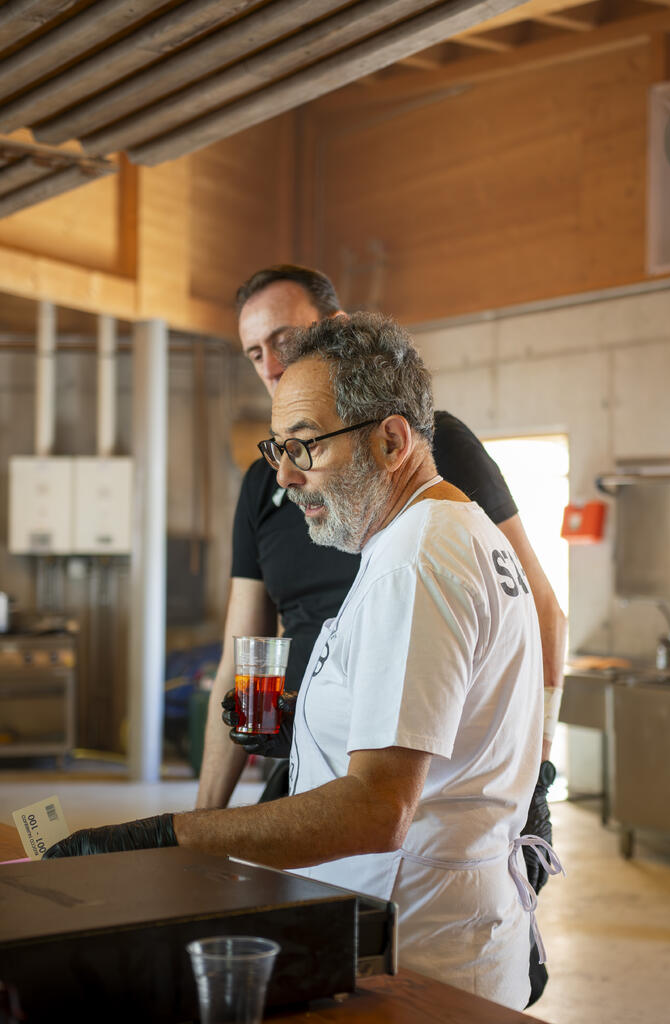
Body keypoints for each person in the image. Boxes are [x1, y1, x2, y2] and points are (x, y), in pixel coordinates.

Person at [44, 312, 563, 1011]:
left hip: (420, 952)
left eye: (305, 446)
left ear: (391, 441)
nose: (285, 477)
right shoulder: (444, 530)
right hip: (428, 930)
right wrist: (305, 724)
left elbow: (375, 809)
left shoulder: (414, 563)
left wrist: (171, 837)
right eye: (278, 448)